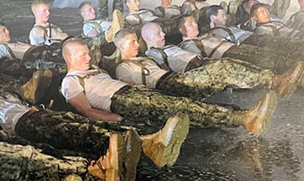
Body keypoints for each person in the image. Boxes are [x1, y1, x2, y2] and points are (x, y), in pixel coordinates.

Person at [0, 58, 189, 181]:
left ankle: (146, 142)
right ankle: (149, 146)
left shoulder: (4, 95)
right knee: (82, 134)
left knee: (92, 126)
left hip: (40, 116)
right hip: (26, 125)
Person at [60, 38, 277, 137]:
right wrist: (115, 119)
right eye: (83, 54)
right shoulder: (69, 81)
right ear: (70, 57)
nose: (88, 57)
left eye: (88, 53)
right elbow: (85, 111)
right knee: (180, 110)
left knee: (182, 106)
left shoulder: (94, 71)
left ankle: (242, 117)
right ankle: (243, 119)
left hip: (136, 95)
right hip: (122, 101)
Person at [113, 28, 304, 99]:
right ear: (121, 46)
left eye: (137, 40)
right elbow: (133, 92)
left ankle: (278, 81)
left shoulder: (144, 58)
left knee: (227, 66)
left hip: (178, 79)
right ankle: (275, 81)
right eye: (133, 42)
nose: (137, 44)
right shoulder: (124, 67)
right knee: (222, 68)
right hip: (173, 85)